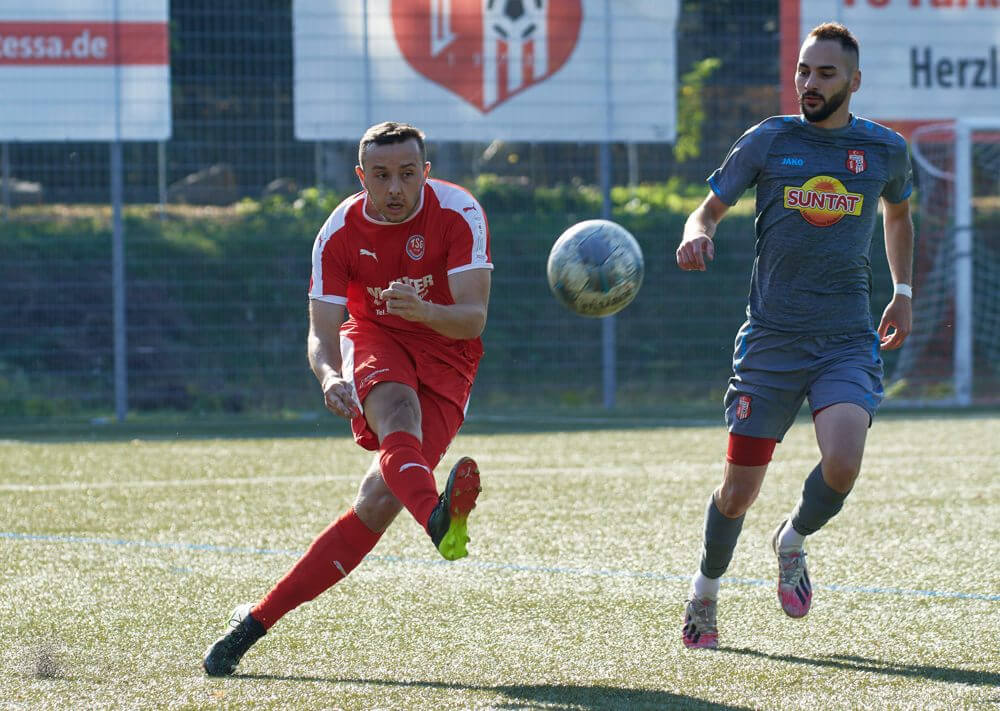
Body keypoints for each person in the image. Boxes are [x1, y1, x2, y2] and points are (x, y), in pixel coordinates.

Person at [202, 121, 493, 675]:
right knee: (397, 411)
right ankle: (438, 521)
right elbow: (322, 331)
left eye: (407, 174)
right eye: (381, 176)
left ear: (426, 173)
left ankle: (253, 623)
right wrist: (329, 375)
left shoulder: (460, 212)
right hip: (374, 336)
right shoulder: (338, 231)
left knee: (378, 502)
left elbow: (473, 318)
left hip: (449, 356)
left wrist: (423, 311)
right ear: (361, 176)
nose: (394, 188)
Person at [675, 23, 914, 649]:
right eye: (804, 70)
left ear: (854, 82)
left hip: (846, 340)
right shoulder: (769, 139)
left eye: (825, 74)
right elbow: (707, 209)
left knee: (843, 462)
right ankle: (705, 589)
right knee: (738, 493)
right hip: (771, 344)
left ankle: (793, 538)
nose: (809, 82)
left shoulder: (884, 150)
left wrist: (904, 291)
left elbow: (898, 213)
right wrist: (696, 233)